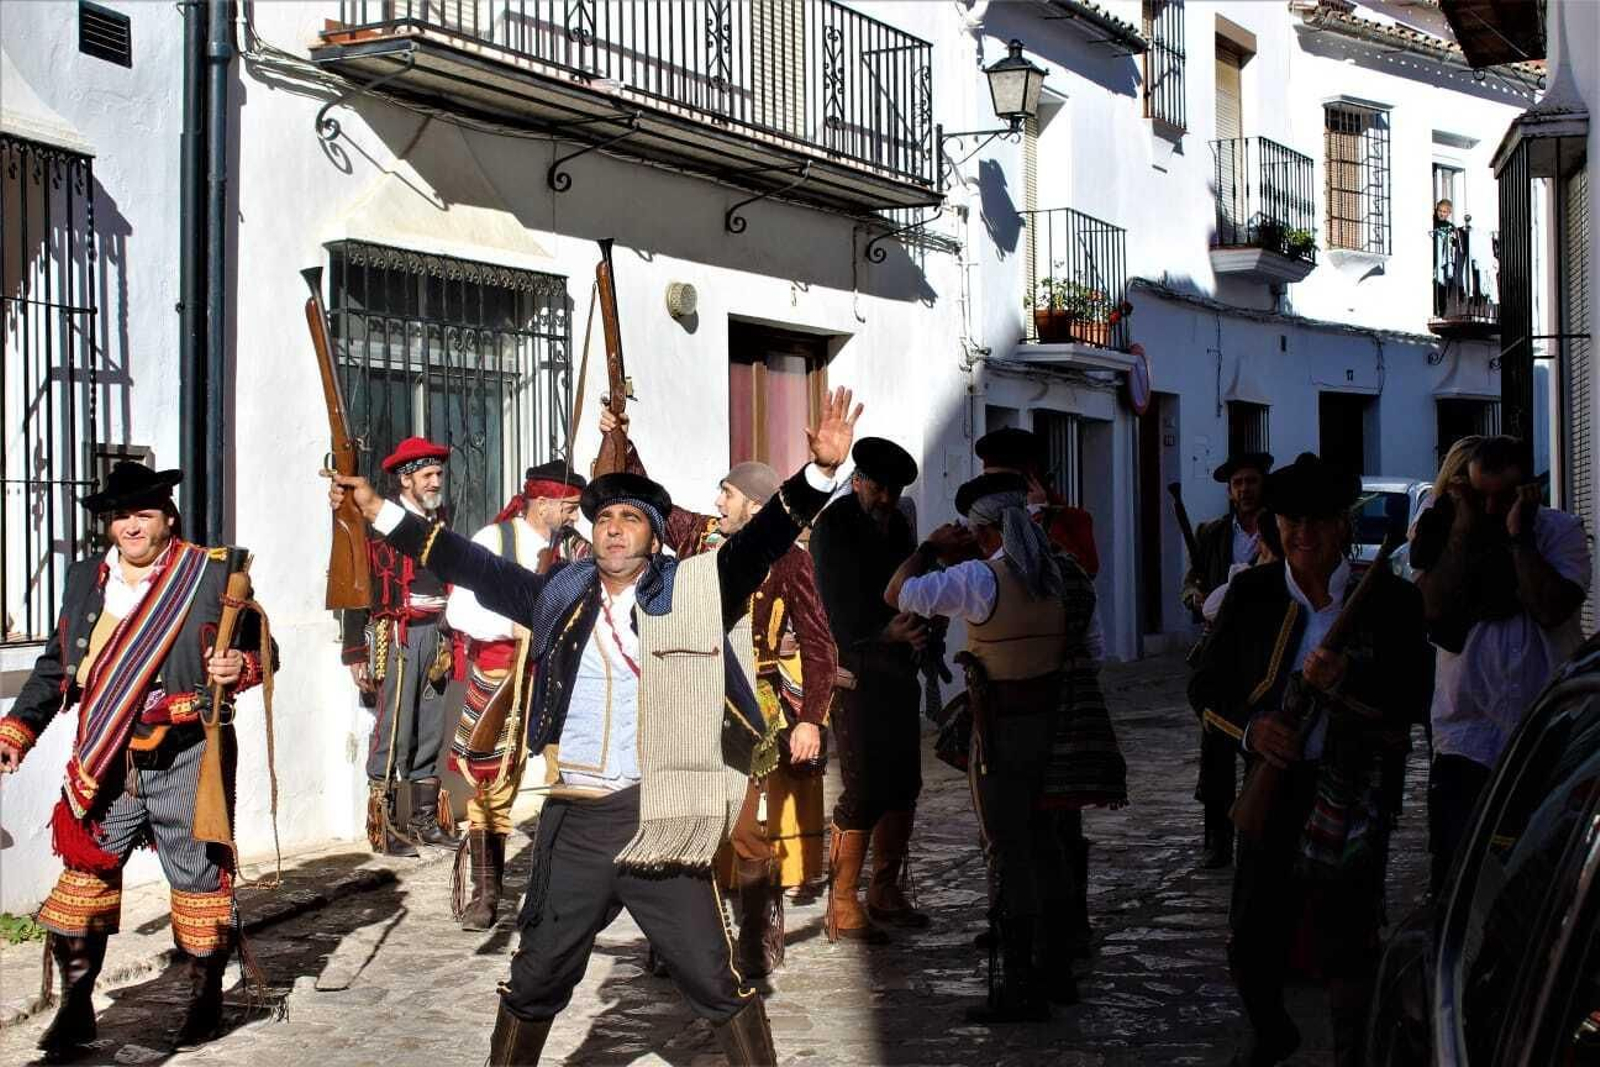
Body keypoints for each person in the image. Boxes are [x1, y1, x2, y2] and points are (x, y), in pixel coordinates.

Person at [326, 386, 861, 1066]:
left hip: (658, 819)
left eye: (630, 518)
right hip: (575, 820)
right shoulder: (558, 593)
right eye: (603, 516)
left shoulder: (697, 589)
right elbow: (468, 563)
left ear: (654, 535)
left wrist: (819, 474)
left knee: (715, 980)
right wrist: (379, 511)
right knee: (534, 979)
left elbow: (762, 541)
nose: (613, 528)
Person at [0, 462, 274, 1058]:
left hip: (189, 752)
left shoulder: (209, 573)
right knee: (84, 877)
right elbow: (55, 667)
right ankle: (76, 1007)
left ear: (167, 518)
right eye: (120, 516)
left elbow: (264, 650)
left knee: (198, 880)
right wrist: (17, 730)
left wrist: (240, 667)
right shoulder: (85, 578)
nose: (131, 526)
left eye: (143, 514)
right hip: (105, 755)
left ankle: (205, 1001)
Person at [1189, 453, 1432, 1067]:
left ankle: (1352, 1051)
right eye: (1291, 520)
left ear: (1342, 524)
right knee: (1251, 934)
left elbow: (1414, 696)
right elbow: (1206, 688)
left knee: (1348, 938)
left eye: (1318, 520)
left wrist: (1351, 676)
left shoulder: (1393, 601)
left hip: (1354, 788)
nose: (1304, 533)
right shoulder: (1251, 594)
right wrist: (1254, 732)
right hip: (1276, 783)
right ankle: (1270, 1033)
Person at [603, 407, 837, 978]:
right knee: (678, 818)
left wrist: (810, 718)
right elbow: (651, 498)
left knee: (742, 827)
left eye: (727, 494)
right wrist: (619, 436)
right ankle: (678, 938)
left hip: (748, 708)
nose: (717, 501)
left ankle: (755, 934)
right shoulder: (694, 537)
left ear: (755, 506)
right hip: (683, 700)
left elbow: (818, 643)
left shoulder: (791, 560)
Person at [887, 472, 1124, 1022]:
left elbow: (898, 592)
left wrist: (930, 548)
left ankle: (1019, 985)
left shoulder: (979, 578)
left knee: (1009, 850)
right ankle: (1057, 968)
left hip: (1002, 730)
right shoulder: (1067, 574)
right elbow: (1093, 650)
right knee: (1048, 846)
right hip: (1057, 724)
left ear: (983, 532)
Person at [1412, 435, 1589, 895]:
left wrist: (1519, 537)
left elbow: (1551, 607)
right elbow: (1431, 607)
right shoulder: (1446, 531)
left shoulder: (1560, 533)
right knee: (1459, 873)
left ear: (1528, 490)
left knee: (1537, 874)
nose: (1491, 508)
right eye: (1480, 495)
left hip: (1544, 730)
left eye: (1504, 496)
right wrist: (1462, 531)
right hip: (1465, 734)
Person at [973, 426, 1103, 955]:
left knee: (1058, 813)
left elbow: (1082, 576)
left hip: (1059, 683)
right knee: (998, 820)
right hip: (998, 688)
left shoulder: (1068, 524)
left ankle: (1069, 920)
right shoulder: (983, 532)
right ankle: (1008, 914)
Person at [445, 460, 588, 930]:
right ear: (542, 503)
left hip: (559, 672)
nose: (574, 515)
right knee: (493, 779)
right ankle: (486, 893)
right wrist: (515, 623)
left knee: (570, 773)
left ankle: (561, 887)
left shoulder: (576, 549)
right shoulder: (493, 541)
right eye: (568, 506)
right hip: (502, 670)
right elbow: (460, 611)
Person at [809, 437, 930, 943]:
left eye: (893, 491)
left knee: (904, 782)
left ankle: (885, 890)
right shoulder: (833, 527)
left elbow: (908, 588)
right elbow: (837, 606)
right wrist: (885, 632)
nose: (885, 498)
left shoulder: (899, 524)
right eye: (878, 488)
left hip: (898, 669)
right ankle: (842, 902)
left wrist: (919, 628)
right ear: (858, 481)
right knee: (863, 786)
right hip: (854, 669)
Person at [342, 436, 463, 856]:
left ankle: (424, 821)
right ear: (405, 479)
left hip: (439, 634)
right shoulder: (380, 523)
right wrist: (355, 651)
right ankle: (386, 825)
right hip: (397, 634)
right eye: (427, 475)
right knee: (393, 726)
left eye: (438, 474)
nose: (436, 482)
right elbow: (355, 584)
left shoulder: (442, 520)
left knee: (431, 726)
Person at [1181, 450, 1273, 870]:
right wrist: (1196, 598)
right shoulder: (1212, 533)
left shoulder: (1274, 530)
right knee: (1214, 747)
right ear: (1230, 491)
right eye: (1238, 484)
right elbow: (1190, 584)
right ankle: (1216, 840)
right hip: (1220, 652)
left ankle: (1259, 831)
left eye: (1251, 481)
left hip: (1264, 650)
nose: (1245, 490)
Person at [973, 426, 1099, 577]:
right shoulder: (981, 521)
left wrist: (1039, 515)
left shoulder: (1072, 519)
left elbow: (1084, 572)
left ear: (1031, 480)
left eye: (1004, 483)